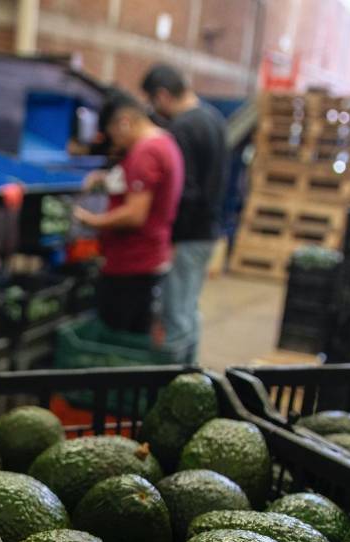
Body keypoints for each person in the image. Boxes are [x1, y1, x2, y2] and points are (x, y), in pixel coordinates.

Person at [74, 93, 184, 340]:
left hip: (132, 264)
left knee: (120, 340)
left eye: (113, 133)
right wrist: (105, 178)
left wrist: (89, 219)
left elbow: (135, 215)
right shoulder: (165, 142)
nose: (116, 142)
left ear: (124, 122)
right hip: (150, 258)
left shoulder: (145, 152)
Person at [141, 64, 228, 364]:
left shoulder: (183, 128)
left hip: (188, 235)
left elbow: (185, 192)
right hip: (208, 231)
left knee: (175, 313)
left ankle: (177, 387)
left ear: (162, 96)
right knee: (189, 309)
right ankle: (190, 374)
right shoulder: (213, 118)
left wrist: (172, 238)